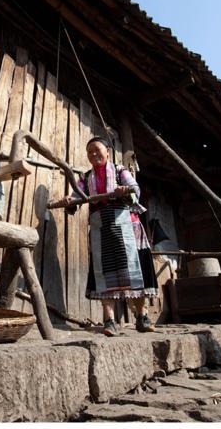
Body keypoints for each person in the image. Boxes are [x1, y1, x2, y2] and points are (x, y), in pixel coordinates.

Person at [64, 136, 158, 336]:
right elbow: (76, 195)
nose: (94, 154)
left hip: (128, 227)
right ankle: (109, 321)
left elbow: (135, 190)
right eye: (89, 152)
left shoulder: (120, 171)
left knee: (135, 270)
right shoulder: (85, 177)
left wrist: (125, 191)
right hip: (101, 229)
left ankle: (142, 317)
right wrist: (70, 200)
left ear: (108, 151)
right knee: (104, 272)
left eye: (97, 149)